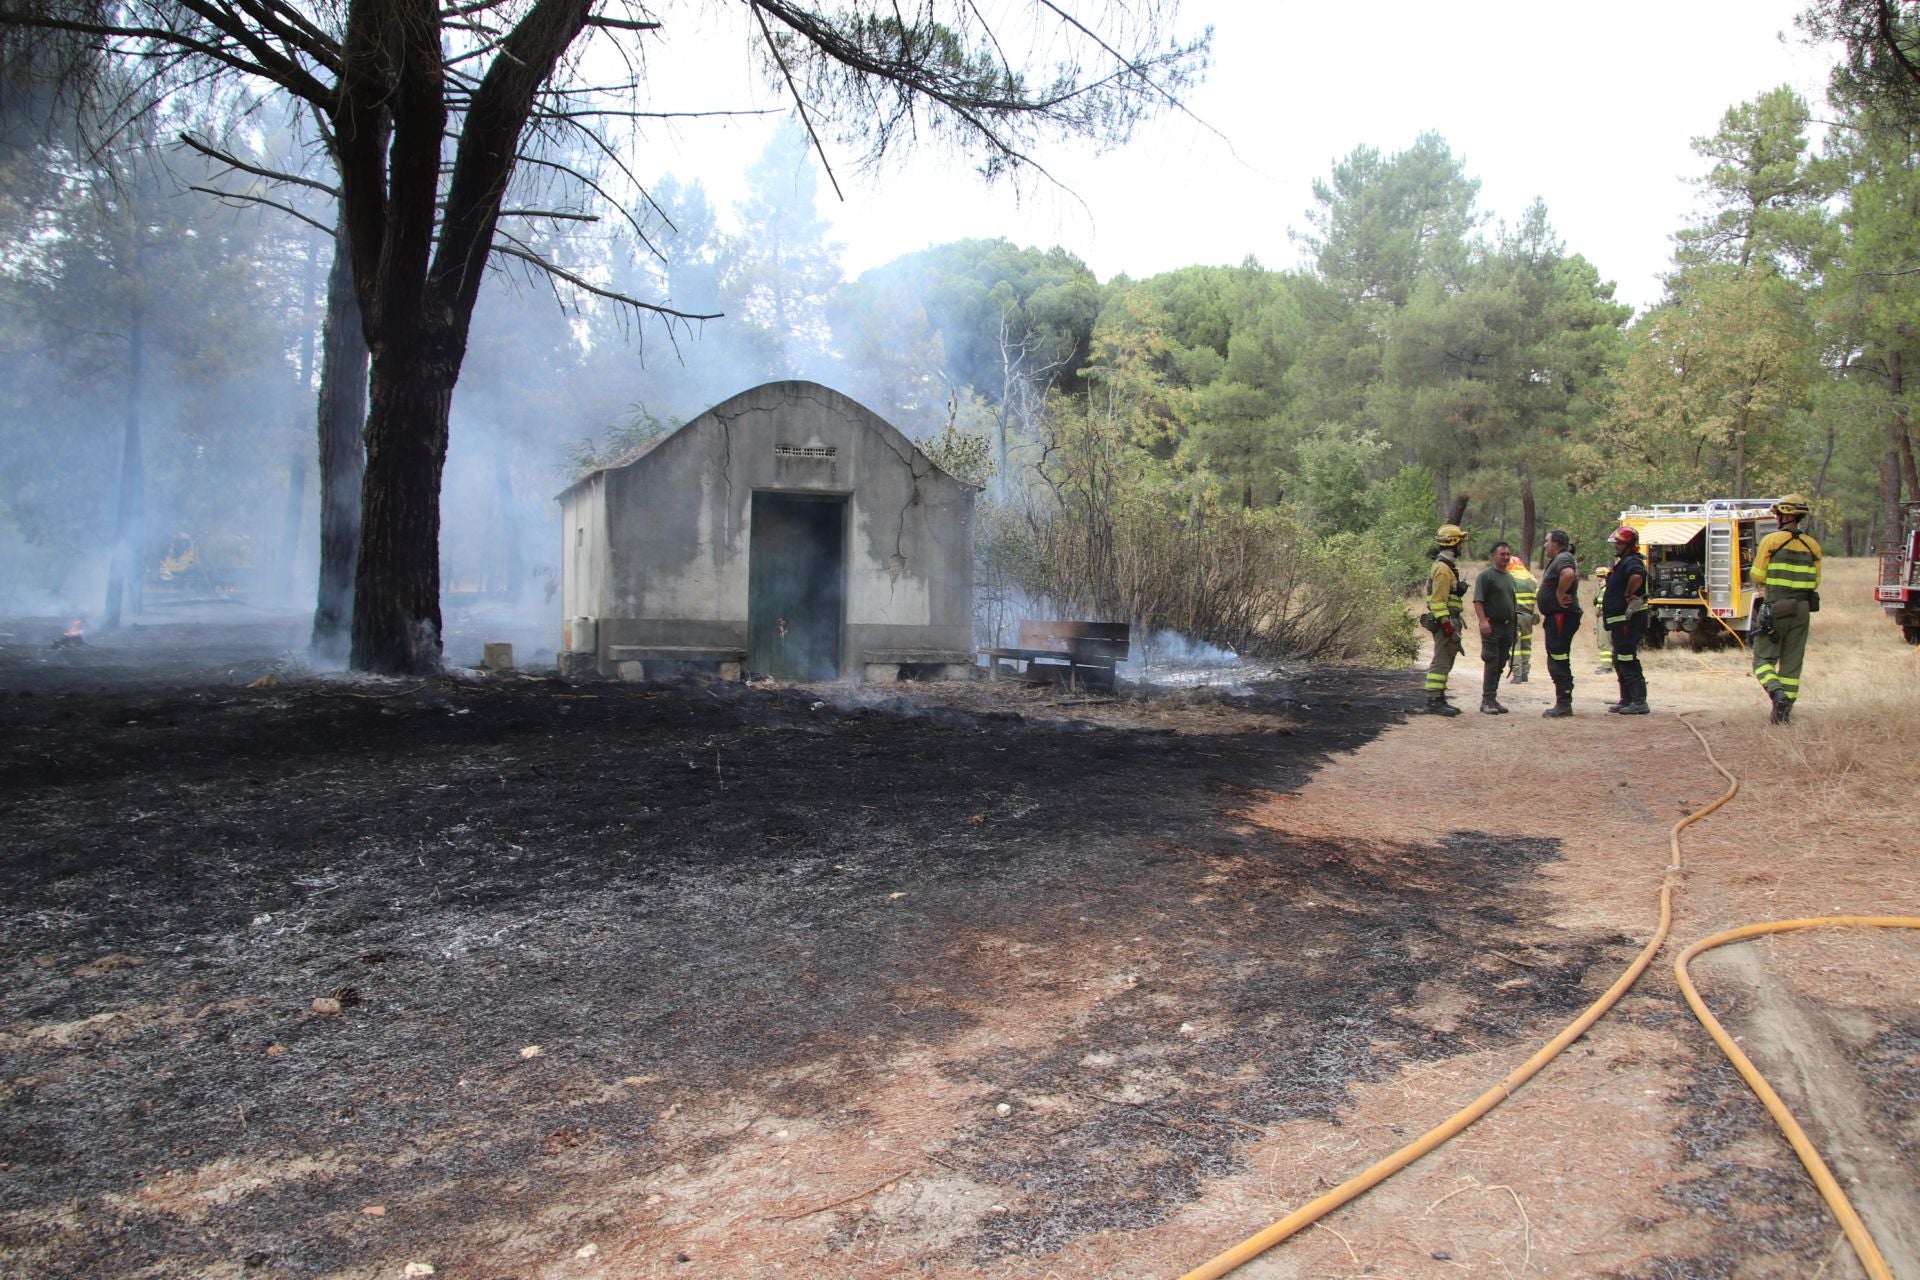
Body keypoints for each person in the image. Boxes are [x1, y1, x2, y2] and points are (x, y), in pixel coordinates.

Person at [1751, 493, 1822, 724]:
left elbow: (1757, 574)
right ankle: (1783, 715)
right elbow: (1815, 582)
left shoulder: (1771, 541)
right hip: (1802, 609)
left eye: (1778, 514)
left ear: (1785, 515)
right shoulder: (1813, 546)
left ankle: (1776, 693)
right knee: (1792, 664)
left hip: (1776, 606)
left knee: (1762, 660)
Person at [1421, 523, 1470, 716]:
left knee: (1447, 659)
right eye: (1460, 543)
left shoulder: (1447, 567)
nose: (1462, 547)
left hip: (1449, 619)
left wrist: (1458, 589)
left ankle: (1440, 698)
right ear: (1453, 543)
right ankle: (1434, 700)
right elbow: (1438, 600)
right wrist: (1446, 623)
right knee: (1441, 660)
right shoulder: (1442, 569)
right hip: (1446, 621)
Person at [1602, 527, 1650, 715]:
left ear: (1629, 545)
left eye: (1620, 543)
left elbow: (1637, 576)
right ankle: (1627, 699)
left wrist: (1629, 594)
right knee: (1620, 658)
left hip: (1627, 621)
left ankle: (1639, 701)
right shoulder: (1624, 561)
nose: (1617, 546)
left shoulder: (1632, 561)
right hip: (1620, 621)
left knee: (1626, 657)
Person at [1536, 529, 1582, 718]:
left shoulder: (1563, 558)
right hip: (1556, 617)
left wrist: (1558, 594)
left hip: (1561, 616)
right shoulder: (1560, 558)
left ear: (1555, 543)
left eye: (1547, 541)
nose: (1545, 545)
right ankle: (1563, 701)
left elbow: (1568, 574)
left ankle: (1564, 703)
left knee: (1558, 658)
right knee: (1557, 656)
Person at [1472, 541, 1518, 714]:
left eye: (1508, 554)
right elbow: (1478, 601)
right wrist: (1483, 622)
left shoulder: (1510, 577)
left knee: (1500, 663)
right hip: (1492, 626)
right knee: (1491, 661)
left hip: (1508, 628)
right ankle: (1486, 701)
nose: (1506, 557)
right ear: (1493, 556)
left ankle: (1493, 698)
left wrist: (1515, 629)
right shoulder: (1486, 576)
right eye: (1502, 554)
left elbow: (1513, 605)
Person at [1505, 553, 1537, 684]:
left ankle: (1517, 674)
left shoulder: (1510, 578)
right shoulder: (1532, 579)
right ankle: (1525, 673)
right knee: (1526, 646)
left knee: (1514, 647)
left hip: (1515, 617)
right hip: (1529, 617)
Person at [1593, 566, 1614, 673]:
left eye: (1601, 576)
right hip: (1603, 618)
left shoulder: (1606, 590)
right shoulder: (1604, 589)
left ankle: (1606, 667)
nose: (1599, 578)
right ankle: (1608, 665)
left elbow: (1601, 607)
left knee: (1604, 643)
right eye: (1598, 576)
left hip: (1604, 618)